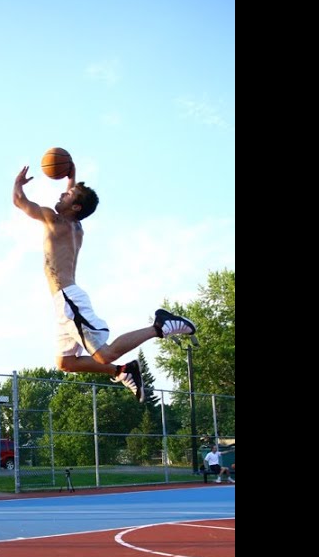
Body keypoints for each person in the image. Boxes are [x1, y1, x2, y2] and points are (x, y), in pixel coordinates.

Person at [13, 161, 198, 402]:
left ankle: (159, 326)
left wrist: (18, 182)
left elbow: (20, 201)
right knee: (66, 362)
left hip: (69, 300)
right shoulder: (75, 226)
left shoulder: (54, 219)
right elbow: (74, 200)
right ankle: (122, 371)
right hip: (65, 302)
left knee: (104, 353)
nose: (61, 193)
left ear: (75, 206)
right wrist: (72, 177)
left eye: (67, 194)